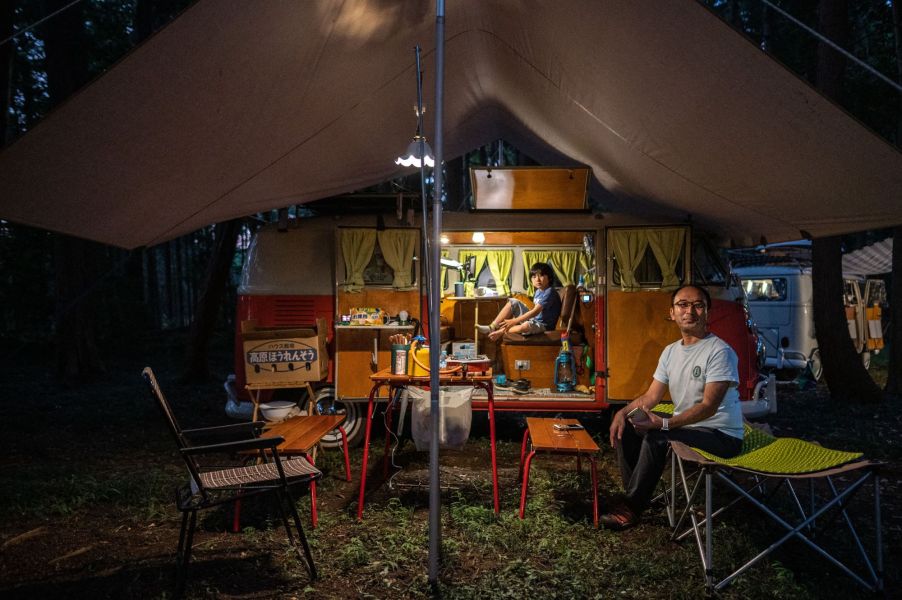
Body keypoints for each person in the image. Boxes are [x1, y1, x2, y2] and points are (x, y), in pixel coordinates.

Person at [601, 284, 744, 530]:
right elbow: (651, 397)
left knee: (656, 438)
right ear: (672, 312)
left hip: (721, 436)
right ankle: (633, 497)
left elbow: (708, 407)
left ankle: (631, 508)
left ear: (707, 312)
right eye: (683, 305)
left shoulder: (720, 351)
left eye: (698, 305)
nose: (690, 311)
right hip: (690, 429)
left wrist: (664, 423)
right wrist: (623, 412)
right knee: (629, 426)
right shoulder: (670, 352)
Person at [476, 262, 562, 342]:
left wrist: (514, 321)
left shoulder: (550, 292)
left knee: (525, 326)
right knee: (513, 302)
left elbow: (535, 312)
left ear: (549, 277)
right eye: (534, 277)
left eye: (541, 276)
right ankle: (492, 327)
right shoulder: (538, 291)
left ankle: (500, 331)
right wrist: (515, 320)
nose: (537, 279)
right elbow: (534, 313)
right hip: (535, 320)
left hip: (544, 326)